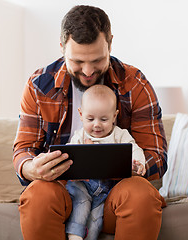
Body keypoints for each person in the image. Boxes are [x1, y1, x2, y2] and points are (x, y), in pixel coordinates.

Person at [13, 5, 167, 240]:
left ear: (110, 44)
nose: (87, 71)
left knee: (140, 194)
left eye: (97, 60)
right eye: (77, 61)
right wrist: (30, 168)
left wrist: (141, 165)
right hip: (63, 193)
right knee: (38, 195)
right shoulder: (38, 85)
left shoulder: (135, 84)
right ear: (62, 47)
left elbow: (157, 155)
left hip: (117, 195)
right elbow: (23, 151)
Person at [66, 84, 146, 240]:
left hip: (106, 191)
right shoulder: (80, 136)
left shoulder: (120, 135)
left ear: (114, 116)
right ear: (81, 115)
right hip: (82, 184)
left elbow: (134, 150)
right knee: (81, 204)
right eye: (90, 119)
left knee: (97, 218)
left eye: (104, 119)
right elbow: (69, 153)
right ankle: (74, 236)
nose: (96, 124)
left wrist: (138, 163)